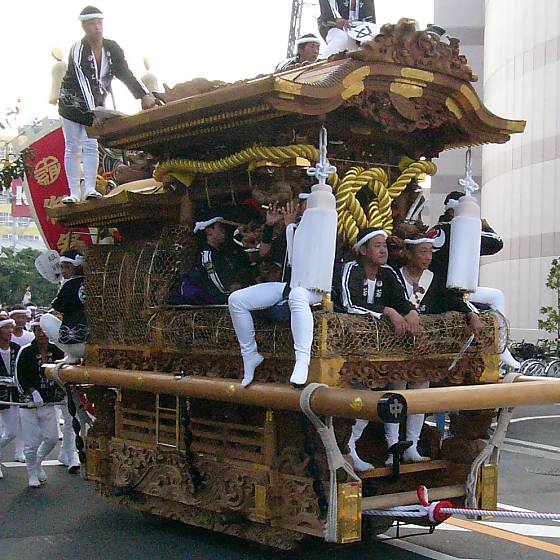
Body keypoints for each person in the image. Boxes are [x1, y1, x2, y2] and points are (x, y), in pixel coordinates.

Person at [58, 6, 158, 203]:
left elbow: (125, 72)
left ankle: (89, 188)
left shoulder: (112, 48)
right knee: (73, 146)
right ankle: (74, 192)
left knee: (91, 144)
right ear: (84, 26)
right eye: (92, 23)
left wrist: (143, 95)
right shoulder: (78, 49)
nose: (97, 27)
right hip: (72, 104)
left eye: (99, 22)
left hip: (96, 104)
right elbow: (83, 81)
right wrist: (91, 115)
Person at [429, 190, 519, 369]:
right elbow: (496, 243)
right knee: (496, 297)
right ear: (454, 211)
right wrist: (485, 226)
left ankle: (501, 346)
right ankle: (500, 345)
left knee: (493, 296)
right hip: (452, 290)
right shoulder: (460, 229)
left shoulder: (435, 230)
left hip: (439, 285)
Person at [15, 319, 65, 487]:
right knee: (31, 443)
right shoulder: (26, 351)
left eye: (44, 331)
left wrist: (61, 392)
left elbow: (64, 371)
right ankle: (31, 474)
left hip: (49, 403)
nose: (42, 334)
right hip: (29, 405)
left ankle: (37, 462)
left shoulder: (56, 351)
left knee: (51, 438)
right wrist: (31, 392)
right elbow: (19, 375)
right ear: (34, 332)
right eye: (38, 331)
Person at [171, 217, 254, 305]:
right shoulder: (207, 255)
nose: (223, 231)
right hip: (216, 304)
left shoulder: (222, 253)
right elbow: (222, 288)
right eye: (220, 228)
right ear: (209, 231)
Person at [40, 249, 88, 364]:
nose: (63, 271)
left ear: (77, 267)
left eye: (67, 267)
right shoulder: (88, 281)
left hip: (74, 341)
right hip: (90, 339)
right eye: (61, 267)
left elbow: (58, 305)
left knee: (45, 319)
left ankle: (72, 355)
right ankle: (72, 356)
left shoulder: (70, 284)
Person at [0, 315, 20, 479]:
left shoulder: (16, 348)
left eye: (10, 327)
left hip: (11, 396)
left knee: (12, 432)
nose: (9, 331)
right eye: (5, 328)